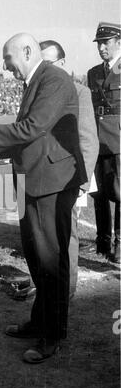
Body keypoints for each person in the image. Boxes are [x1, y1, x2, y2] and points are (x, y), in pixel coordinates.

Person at [0, 33, 87, 363]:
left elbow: (33, 127)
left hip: (53, 182)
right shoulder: (37, 80)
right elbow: (29, 131)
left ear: (28, 51)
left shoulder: (54, 78)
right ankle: (39, 322)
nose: (5, 67)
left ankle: (52, 335)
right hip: (36, 179)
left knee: (51, 260)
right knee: (37, 257)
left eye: (8, 58)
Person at [13, 40, 99, 300]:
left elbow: (87, 138)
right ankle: (48, 296)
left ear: (62, 63)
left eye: (49, 63)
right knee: (41, 242)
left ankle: (66, 292)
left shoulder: (78, 91)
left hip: (63, 179)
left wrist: (81, 181)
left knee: (63, 240)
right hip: (38, 175)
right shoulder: (34, 88)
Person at [86, 22, 121, 263]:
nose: (101, 48)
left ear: (119, 42)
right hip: (96, 139)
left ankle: (120, 244)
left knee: (120, 192)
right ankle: (102, 241)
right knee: (98, 192)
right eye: (99, 43)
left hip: (119, 140)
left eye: (106, 42)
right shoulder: (93, 73)